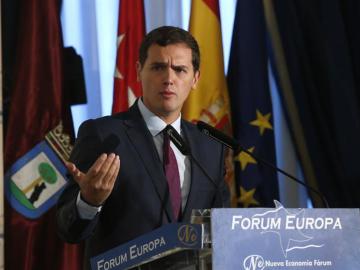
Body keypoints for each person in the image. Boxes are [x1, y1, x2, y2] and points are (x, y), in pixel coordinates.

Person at [56, 25, 230, 269]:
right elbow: (67, 230)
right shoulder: (102, 135)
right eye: (158, 67)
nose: (169, 79)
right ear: (139, 71)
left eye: (180, 70)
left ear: (195, 79)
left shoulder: (210, 147)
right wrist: (88, 202)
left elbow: (221, 230)